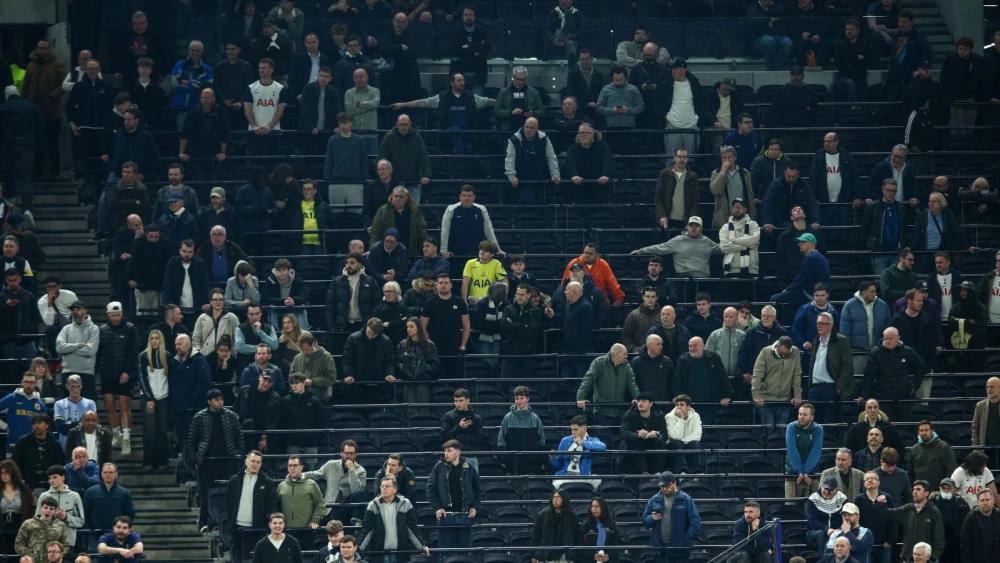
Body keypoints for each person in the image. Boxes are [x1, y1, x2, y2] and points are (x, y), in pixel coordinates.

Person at [185, 389, 244, 531]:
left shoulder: (231, 416)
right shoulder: (199, 417)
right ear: (209, 401)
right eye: (217, 399)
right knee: (206, 495)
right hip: (207, 463)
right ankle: (205, 522)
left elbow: (239, 439)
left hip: (227, 461)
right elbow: (191, 441)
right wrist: (195, 460)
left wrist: (238, 455)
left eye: (221, 399)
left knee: (229, 495)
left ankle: (227, 524)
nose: (220, 402)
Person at [863, 327, 927, 422]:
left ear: (898, 338)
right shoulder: (876, 353)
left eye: (891, 338)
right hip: (884, 398)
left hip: (904, 397)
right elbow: (868, 376)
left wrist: (914, 386)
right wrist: (868, 395)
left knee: (905, 425)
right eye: (886, 338)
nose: (888, 341)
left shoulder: (907, 351)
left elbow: (921, 368)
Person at [358, 476, 429, 562]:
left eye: (387, 486)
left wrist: (422, 546)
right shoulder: (373, 505)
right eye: (382, 486)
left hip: (400, 554)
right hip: (379, 554)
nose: (384, 488)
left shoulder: (405, 503)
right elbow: (367, 530)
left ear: (395, 489)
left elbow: (412, 527)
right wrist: (358, 549)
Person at [426, 439, 480, 552]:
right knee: (446, 554)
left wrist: (475, 507)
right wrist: (437, 508)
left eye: (449, 451)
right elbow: (430, 489)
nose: (446, 454)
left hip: (464, 516)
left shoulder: (469, 467)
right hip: (446, 516)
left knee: (465, 553)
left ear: (458, 452)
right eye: (445, 451)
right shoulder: (439, 467)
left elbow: (477, 491)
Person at [631, 217, 720, 280]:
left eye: (696, 226)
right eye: (691, 225)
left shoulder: (707, 241)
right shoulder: (678, 240)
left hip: (703, 278)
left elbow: (722, 248)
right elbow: (660, 248)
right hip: (683, 278)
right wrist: (641, 251)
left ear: (701, 228)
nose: (693, 228)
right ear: (687, 227)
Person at [305, 440, 368, 525]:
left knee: (360, 494)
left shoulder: (361, 471)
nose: (349, 456)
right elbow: (316, 474)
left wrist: (352, 470)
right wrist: (299, 475)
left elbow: (356, 490)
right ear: (341, 453)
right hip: (330, 506)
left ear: (355, 455)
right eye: (346, 453)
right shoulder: (331, 465)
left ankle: (357, 523)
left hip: (346, 508)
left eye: (351, 453)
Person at [420, 273, 470, 380]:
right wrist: (429, 344)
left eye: (446, 283)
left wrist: (463, 345)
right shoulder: (429, 303)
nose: (443, 285)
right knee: (437, 380)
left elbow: (466, 326)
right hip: (436, 349)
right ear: (436, 285)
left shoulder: (460, 302)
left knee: (456, 380)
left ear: (451, 285)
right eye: (441, 283)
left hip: (455, 348)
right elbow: (422, 326)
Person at [673, 336, 732, 425]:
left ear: (703, 346)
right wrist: (679, 399)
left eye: (695, 346)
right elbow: (678, 381)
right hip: (690, 404)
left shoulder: (714, 358)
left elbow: (722, 377)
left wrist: (727, 395)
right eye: (690, 346)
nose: (692, 348)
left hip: (711, 403)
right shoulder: (683, 360)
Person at [642, 471, 701, 559]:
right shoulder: (654, 499)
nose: (664, 489)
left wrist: (684, 539)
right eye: (662, 486)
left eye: (667, 486)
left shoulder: (686, 499)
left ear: (674, 483)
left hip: (680, 550)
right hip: (659, 549)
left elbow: (695, 522)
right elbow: (645, 520)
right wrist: (651, 518)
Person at [0, 87, 41, 214]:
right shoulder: (31, 107)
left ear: (7, 96)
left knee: (9, 178)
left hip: (8, 148)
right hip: (27, 147)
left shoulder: (4, 107)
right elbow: (39, 127)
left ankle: (9, 209)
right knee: (26, 179)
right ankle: (28, 209)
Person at [752, 335, 803, 436]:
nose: (783, 356)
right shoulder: (765, 352)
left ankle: (781, 452)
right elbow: (757, 375)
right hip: (766, 399)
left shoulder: (795, 352)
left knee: (783, 431)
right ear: (777, 346)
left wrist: (797, 396)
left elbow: (797, 374)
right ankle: (766, 452)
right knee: (768, 430)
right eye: (781, 353)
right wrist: (756, 395)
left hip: (785, 399)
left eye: (786, 354)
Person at [503, 117, 561, 205]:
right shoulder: (514, 140)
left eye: (531, 128)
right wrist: (512, 176)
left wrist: (555, 174)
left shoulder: (544, 139)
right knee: (528, 202)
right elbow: (509, 159)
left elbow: (551, 157)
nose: (528, 130)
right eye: (526, 127)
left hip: (540, 179)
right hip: (522, 180)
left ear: (537, 129)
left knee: (542, 204)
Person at [840, 281, 892, 374]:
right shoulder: (849, 306)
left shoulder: (882, 305)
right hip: (857, 352)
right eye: (871, 292)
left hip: (878, 350)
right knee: (858, 378)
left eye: (875, 291)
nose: (874, 294)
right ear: (862, 292)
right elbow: (845, 331)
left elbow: (888, 326)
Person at [378, 114, 431, 202]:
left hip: (413, 179)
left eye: (406, 124)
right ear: (396, 124)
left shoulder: (416, 137)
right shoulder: (390, 137)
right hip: (395, 181)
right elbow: (383, 156)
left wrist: (425, 174)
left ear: (410, 124)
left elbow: (423, 156)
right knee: (394, 208)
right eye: (401, 124)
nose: (403, 127)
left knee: (413, 209)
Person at [887, 481, 946, 559]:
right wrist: (881, 504)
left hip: (925, 558)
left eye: (918, 489)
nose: (914, 492)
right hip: (907, 557)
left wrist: (933, 557)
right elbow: (889, 514)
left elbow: (939, 537)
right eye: (913, 489)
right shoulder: (908, 508)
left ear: (926, 493)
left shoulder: (934, 512)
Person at [770, 233, 831, 308]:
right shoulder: (817, 256)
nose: (799, 244)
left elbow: (801, 278)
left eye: (803, 242)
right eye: (799, 242)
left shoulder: (812, 257)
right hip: (813, 292)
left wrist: (787, 289)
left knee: (774, 299)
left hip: (811, 294)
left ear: (811, 243)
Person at [56, 301, 100, 400]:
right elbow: (59, 348)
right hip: (68, 372)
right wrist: (79, 345)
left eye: (78, 309)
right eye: (73, 309)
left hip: (86, 373)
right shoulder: (66, 329)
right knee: (67, 407)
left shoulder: (94, 329)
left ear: (85, 310)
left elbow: (91, 351)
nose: (75, 311)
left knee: (88, 410)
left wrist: (69, 349)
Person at [659, 58, 704, 157]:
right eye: (672, 69)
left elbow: (701, 102)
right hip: (672, 124)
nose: (673, 71)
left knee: (690, 159)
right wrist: (666, 116)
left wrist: (697, 117)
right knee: (672, 158)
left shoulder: (694, 83)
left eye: (676, 69)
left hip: (691, 125)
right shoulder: (665, 83)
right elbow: (657, 102)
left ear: (683, 70)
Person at [497, 386, 546, 475]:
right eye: (516, 398)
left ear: (528, 399)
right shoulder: (507, 418)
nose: (519, 401)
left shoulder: (535, 419)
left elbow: (541, 441)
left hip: (532, 465)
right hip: (512, 465)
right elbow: (501, 440)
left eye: (522, 398)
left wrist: (541, 459)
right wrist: (503, 459)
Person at [34, 466, 83, 548]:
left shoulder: (74, 496)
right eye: (49, 478)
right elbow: (37, 518)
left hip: (67, 543)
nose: (51, 480)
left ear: (63, 477)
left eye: (54, 477)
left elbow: (80, 521)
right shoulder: (43, 496)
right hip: (47, 543)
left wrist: (66, 517)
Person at [620, 392, 667, 474]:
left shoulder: (659, 415)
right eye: (639, 401)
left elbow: (664, 435)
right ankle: (644, 473)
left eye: (644, 401)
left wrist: (657, 435)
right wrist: (638, 435)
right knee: (637, 444)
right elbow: (624, 433)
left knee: (660, 445)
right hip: (635, 444)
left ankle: (657, 473)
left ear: (651, 404)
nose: (640, 403)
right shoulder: (629, 414)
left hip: (652, 443)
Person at [13, 414, 64, 491]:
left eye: (39, 423)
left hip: (50, 483)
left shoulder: (55, 444)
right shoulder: (23, 442)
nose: (36, 426)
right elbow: (16, 462)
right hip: (28, 483)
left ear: (47, 425)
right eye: (34, 423)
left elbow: (60, 464)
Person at [530, 489, 581, 563]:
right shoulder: (542, 515)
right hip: (546, 555)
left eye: (558, 497)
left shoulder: (571, 516)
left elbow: (576, 536)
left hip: (566, 556)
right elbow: (536, 536)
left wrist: (575, 555)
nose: (555, 499)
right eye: (554, 497)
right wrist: (533, 555)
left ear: (564, 499)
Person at [0, 372, 45, 455]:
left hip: (33, 446)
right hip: (13, 444)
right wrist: (5, 426)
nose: (28, 385)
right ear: (22, 382)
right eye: (26, 382)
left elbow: (44, 425)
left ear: (36, 384)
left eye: (31, 382)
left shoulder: (40, 404)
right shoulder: (12, 398)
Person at [83, 463, 135, 535]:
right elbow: (86, 512)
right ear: (101, 474)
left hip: (118, 534)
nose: (108, 475)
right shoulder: (90, 492)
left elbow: (129, 514)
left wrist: (121, 529)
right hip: (95, 534)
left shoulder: (124, 493)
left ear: (116, 474)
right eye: (105, 472)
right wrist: (91, 528)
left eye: (111, 472)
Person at [785, 403, 824, 498]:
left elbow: (816, 451)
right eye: (800, 414)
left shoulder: (818, 429)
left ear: (812, 417)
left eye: (805, 415)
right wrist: (800, 471)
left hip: (812, 472)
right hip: (792, 472)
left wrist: (806, 471)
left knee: (813, 503)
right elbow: (792, 450)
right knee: (790, 503)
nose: (801, 417)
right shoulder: (791, 427)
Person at [275, 455, 324, 530]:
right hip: (285, 531)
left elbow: (320, 503)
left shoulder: (311, 484)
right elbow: (276, 507)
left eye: (295, 465)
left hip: (306, 529)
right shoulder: (281, 486)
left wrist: (315, 520)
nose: (292, 468)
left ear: (301, 467)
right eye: (290, 465)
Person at [909, 421, 957, 492]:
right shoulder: (914, 449)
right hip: (920, 492)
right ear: (918, 432)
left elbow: (951, 470)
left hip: (938, 491)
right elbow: (910, 473)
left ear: (932, 431)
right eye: (921, 430)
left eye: (926, 430)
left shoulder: (944, 447)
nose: (924, 433)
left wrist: (946, 489)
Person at [14, 497, 65, 563]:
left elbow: (65, 545)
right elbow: (18, 544)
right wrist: (30, 554)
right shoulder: (28, 523)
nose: (48, 511)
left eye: (51, 509)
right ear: (41, 508)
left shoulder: (60, 525)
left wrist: (57, 555)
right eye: (45, 507)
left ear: (55, 511)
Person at [718, 198, 761, 276]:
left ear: (745, 210)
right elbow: (724, 247)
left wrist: (733, 240)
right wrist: (746, 246)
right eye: (735, 207)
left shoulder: (753, 225)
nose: (736, 209)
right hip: (730, 271)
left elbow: (754, 240)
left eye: (739, 207)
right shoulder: (725, 227)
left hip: (750, 271)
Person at [806, 476, 849, 552]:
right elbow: (812, 521)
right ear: (821, 486)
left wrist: (838, 530)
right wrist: (826, 529)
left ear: (836, 489)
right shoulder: (813, 498)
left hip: (837, 531)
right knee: (821, 534)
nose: (826, 492)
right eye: (825, 489)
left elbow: (846, 518)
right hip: (815, 531)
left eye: (830, 490)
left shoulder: (842, 498)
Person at [931, 477, 968, 563]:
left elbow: (966, 525)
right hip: (938, 543)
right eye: (944, 488)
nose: (946, 491)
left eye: (949, 488)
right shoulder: (933, 503)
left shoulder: (962, 504)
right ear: (940, 489)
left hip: (955, 543)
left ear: (954, 490)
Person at [596, 66, 644, 130]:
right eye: (616, 80)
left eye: (621, 80)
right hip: (610, 127)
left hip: (630, 127)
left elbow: (641, 107)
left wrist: (628, 110)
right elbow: (599, 108)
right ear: (612, 78)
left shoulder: (633, 89)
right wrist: (612, 110)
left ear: (626, 78)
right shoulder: (605, 89)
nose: (618, 82)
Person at [666, 394, 704, 474]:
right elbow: (674, 437)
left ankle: (697, 473)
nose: (679, 407)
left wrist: (683, 443)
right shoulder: (669, 417)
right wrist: (681, 419)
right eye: (677, 405)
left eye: (682, 404)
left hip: (687, 445)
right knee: (677, 443)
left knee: (694, 443)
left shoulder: (695, 416)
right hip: (674, 447)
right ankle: (682, 472)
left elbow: (697, 436)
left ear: (688, 407)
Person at [959, 489, 1000, 563]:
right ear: (978, 502)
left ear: (993, 501)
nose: (985, 503)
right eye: (982, 500)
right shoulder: (971, 517)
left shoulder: (998, 515)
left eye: (988, 500)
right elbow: (964, 544)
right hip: (977, 559)